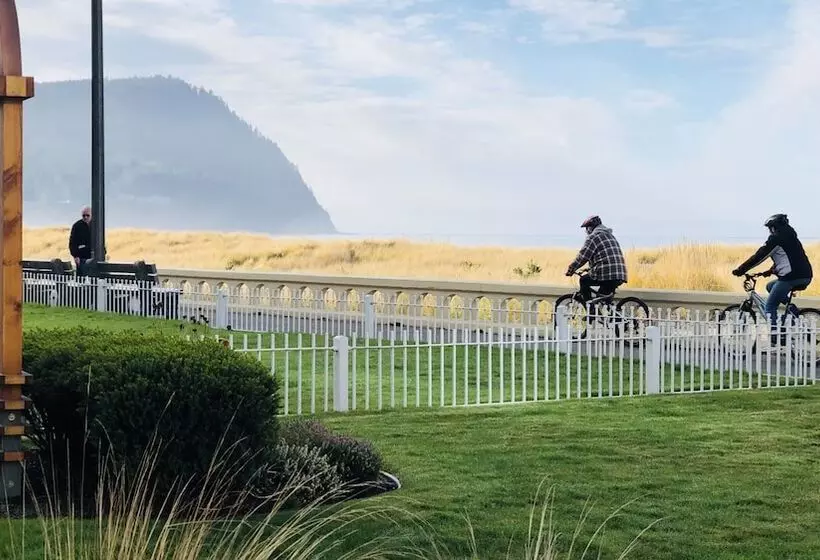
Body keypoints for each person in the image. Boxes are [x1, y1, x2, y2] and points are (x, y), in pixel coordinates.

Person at [732, 213, 813, 343]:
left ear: (774, 227)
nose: (770, 231)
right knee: (770, 286)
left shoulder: (776, 239)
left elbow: (759, 256)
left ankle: (775, 334)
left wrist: (741, 270)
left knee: (770, 306)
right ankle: (790, 308)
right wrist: (770, 271)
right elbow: (789, 258)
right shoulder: (792, 237)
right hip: (805, 276)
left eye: (770, 228)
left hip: (791, 277)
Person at [565, 215, 628, 304]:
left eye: (587, 228)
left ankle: (590, 308)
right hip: (620, 274)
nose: (586, 231)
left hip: (607, 274)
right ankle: (607, 310)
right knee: (603, 301)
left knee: (584, 280)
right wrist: (589, 269)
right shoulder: (610, 235)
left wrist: (571, 269)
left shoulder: (594, 236)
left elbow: (583, 256)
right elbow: (605, 258)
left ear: (591, 227)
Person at [69, 206, 93, 276]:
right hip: (81, 258)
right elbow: (72, 243)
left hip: (93, 257)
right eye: (83, 215)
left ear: (92, 215)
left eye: (87, 215)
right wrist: (75, 256)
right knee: (81, 278)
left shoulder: (96, 225)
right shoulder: (77, 226)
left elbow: (100, 241)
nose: (85, 217)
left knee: (94, 277)